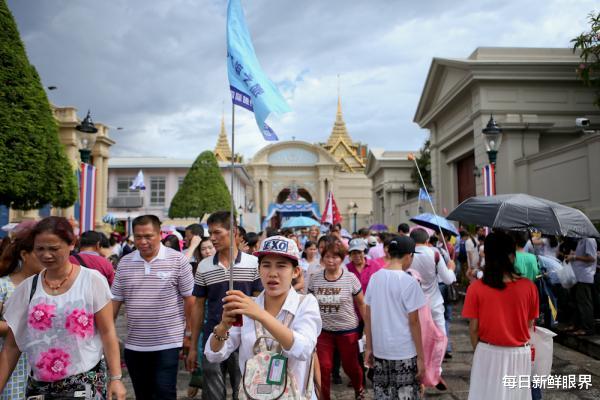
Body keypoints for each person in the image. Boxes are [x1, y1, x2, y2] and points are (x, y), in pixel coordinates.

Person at [0, 217, 126, 399]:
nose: (46, 255)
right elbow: (11, 347)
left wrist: (116, 378)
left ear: (71, 244)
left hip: (84, 383)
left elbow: (107, 332)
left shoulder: (92, 280)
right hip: (40, 388)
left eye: (53, 248)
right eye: (40, 249)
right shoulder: (28, 289)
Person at [205, 235, 322, 399]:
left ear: (295, 272)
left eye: (281, 266)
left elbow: (303, 349)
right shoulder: (247, 307)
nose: (273, 273)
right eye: (266, 265)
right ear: (259, 270)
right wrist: (223, 326)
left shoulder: (306, 304)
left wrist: (260, 315)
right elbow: (214, 354)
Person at [112, 215, 194, 399]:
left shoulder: (178, 260)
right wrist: (108, 335)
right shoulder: (125, 263)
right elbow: (115, 302)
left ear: (159, 234)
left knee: (164, 393)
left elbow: (190, 301)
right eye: (138, 236)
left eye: (148, 236)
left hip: (167, 343)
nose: (142, 241)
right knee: (143, 395)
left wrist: (189, 335)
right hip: (134, 345)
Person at [186, 211, 263, 400]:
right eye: (210, 233)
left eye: (217, 232)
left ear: (234, 231)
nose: (212, 238)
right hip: (214, 338)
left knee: (244, 391)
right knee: (212, 394)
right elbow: (198, 307)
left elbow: (260, 304)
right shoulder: (204, 266)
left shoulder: (254, 264)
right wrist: (194, 345)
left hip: (246, 340)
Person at [462, 232, 539, 400]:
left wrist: (481, 351)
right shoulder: (529, 287)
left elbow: (473, 329)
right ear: (512, 257)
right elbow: (529, 324)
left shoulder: (476, 288)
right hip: (519, 354)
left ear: (487, 256)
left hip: (487, 351)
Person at [364, 236, 425, 399]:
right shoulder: (409, 282)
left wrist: (369, 347)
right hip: (404, 351)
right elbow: (414, 322)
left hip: (380, 350)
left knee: (382, 395)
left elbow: (367, 316)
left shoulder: (375, 278)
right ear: (408, 256)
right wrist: (421, 357)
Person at [308, 239, 366, 400]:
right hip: (324, 332)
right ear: (322, 258)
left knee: (351, 366)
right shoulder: (315, 278)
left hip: (348, 331)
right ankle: (324, 397)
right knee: (324, 367)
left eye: (335, 257)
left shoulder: (350, 278)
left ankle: (359, 388)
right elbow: (309, 304)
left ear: (342, 258)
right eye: (327, 256)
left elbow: (361, 303)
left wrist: (367, 327)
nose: (331, 260)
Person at [0, 223, 43, 399]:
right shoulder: (4, 285)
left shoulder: (49, 286)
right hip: (11, 365)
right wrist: (22, 328)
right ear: (25, 255)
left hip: (42, 366)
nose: (47, 256)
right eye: (39, 251)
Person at [409, 228, 456, 335]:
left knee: (417, 336)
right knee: (440, 336)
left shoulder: (407, 256)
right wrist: (451, 268)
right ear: (427, 240)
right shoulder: (435, 254)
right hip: (434, 303)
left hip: (414, 305)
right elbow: (448, 280)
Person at [187, 237, 217, 398]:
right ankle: (198, 381)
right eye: (203, 248)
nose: (207, 251)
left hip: (219, 319)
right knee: (200, 352)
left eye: (210, 247)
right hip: (201, 318)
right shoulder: (196, 268)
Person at [567, 237, 598, 336]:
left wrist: (575, 257)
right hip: (578, 276)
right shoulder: (581, 240)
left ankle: (587, 328)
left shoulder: (589, 240)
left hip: (585, 276)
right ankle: (577, 325)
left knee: (585, 303)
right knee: (578, 302)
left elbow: (592, 258)